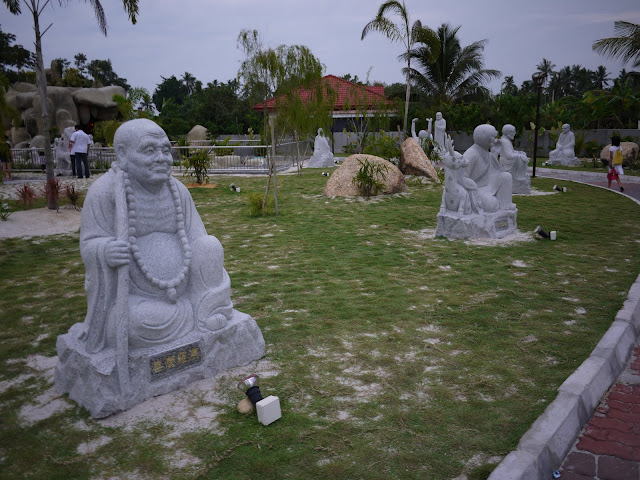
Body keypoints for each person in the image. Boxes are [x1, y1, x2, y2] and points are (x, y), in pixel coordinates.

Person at [79, 119, 234, 352]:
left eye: (165, 150)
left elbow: (197, 238)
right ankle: (200, 313)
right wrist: (105, 250)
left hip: (186, 288)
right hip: (140, 298)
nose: (162, 158)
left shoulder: (177, 190)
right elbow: (89, 244)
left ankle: (201, 306)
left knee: (210, 245)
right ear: (122, 154)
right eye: (149, 151)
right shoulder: (105, 192)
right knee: (130, 323)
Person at [463, 124, 515, 212]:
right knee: (492, 204)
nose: (495, 140)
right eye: (493, 137)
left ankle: (506, 205)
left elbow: (493, 170)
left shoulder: (486, 152)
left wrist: (495, 153)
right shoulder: (471, 154)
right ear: (486, 138)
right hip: (477, 188)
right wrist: (472, 190)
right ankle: (492, 202)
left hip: (488, 184)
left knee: (506, 176)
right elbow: (462, 177)